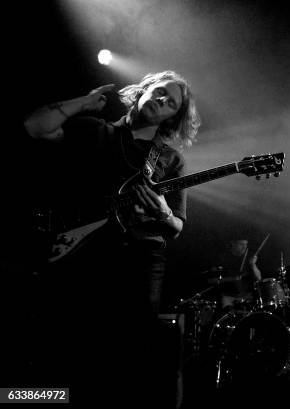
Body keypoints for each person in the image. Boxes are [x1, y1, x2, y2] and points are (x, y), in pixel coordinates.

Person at [23, 70, 201, 406]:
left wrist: (162, 213)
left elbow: (177, 226)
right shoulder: (95, 131)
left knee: (129, 359)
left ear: (173, 117)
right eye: (160, 91)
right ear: (144, 90)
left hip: (138, 260)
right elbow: (35, 127)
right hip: (80, 254)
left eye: (171, 103)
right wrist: (86, 102)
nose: (162, 100)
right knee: (66, 352)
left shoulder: (170, 160)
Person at [209, 237, 263, 310]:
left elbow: (259, 278)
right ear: (233, 243)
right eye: (241, 244)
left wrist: (253, 265)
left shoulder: (250, 258)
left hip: (247, 296)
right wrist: (233, 279)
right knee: (228, 316)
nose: (244, 247)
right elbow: (211, 280)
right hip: (228, 297)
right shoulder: (222, 258)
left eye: (246, 244)